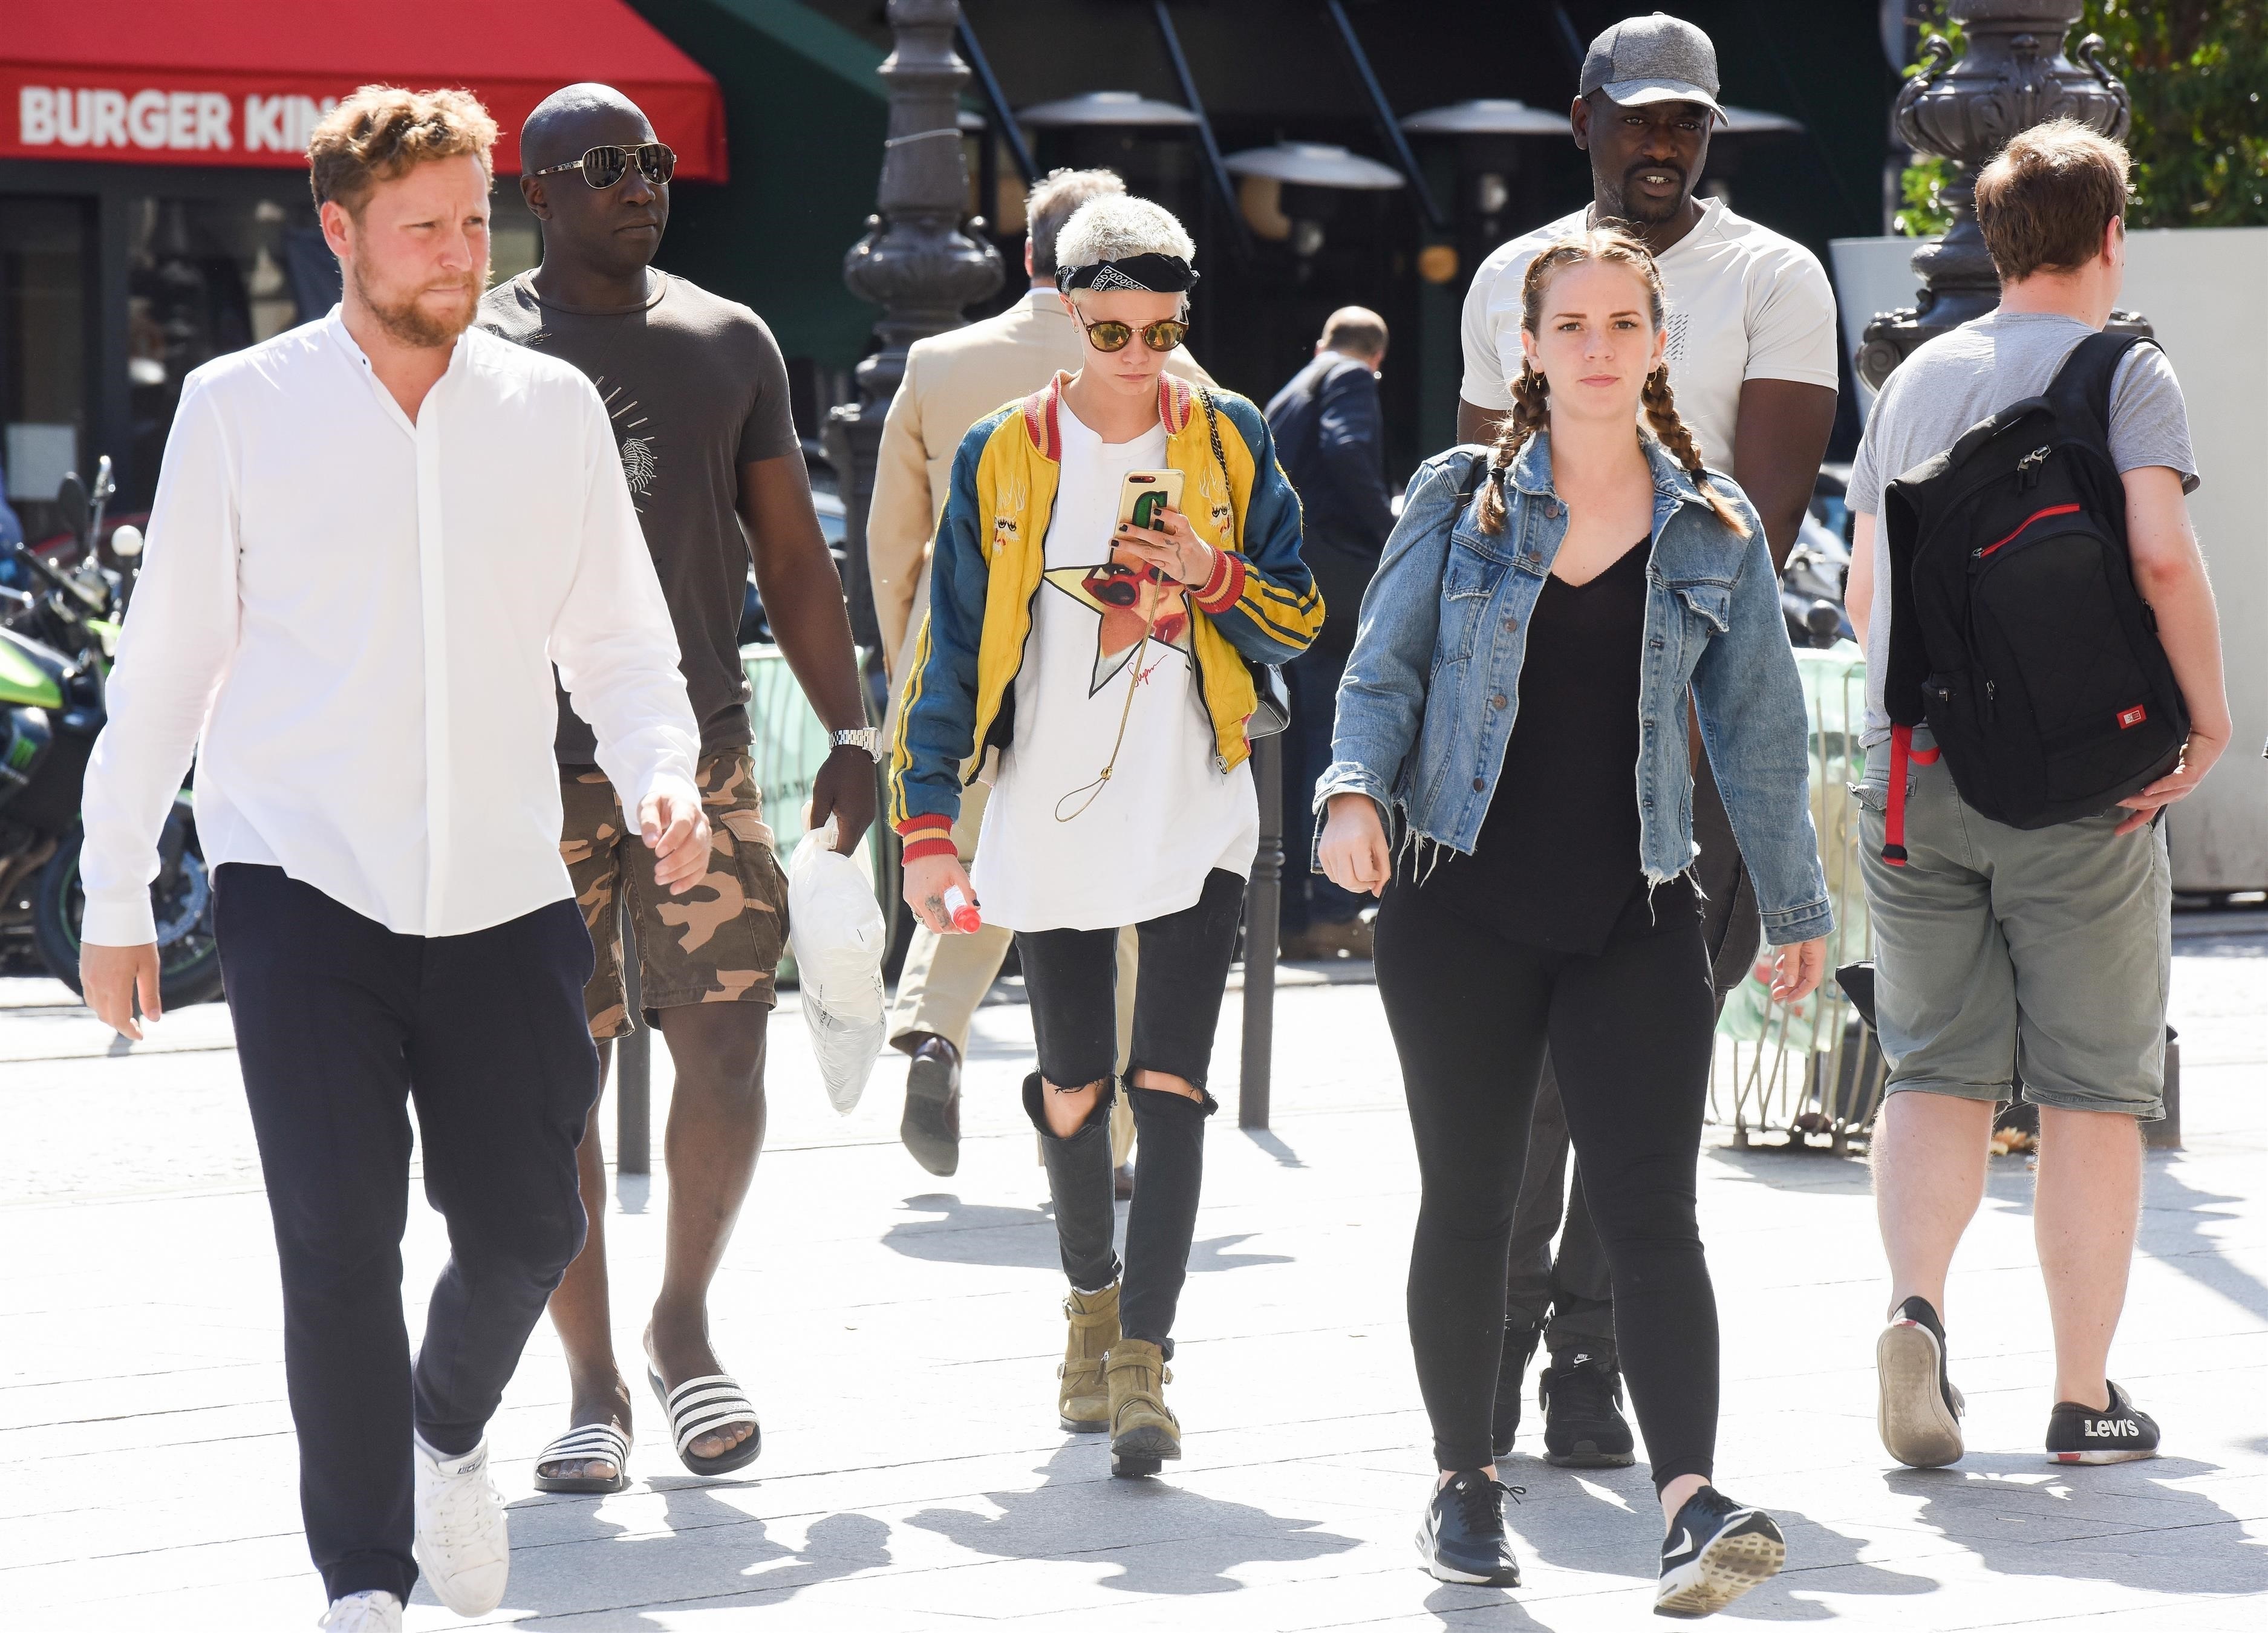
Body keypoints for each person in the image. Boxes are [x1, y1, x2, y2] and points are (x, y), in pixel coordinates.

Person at [76, 88, 709, 1633]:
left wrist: (661, 771)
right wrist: (113, 887)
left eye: (472, 220)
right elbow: (168, 665)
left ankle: (445, 1428)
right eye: (422, 225)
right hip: (298, 882)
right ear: (340, 232)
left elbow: (621, 644)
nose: (457, 252)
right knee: (336, 1235)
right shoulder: (238, 405)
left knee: (529, 1227)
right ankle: (361, 1576)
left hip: (504, 883)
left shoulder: (549, 409)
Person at [1320, 227, 1829, 1612]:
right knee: (1472, 1201)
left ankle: (1689, 1504)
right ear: (1527, 350)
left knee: (1651, 1210)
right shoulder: (1457, 498)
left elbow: (1760, 731)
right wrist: (1351, 790)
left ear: (1657, 345)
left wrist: (1793, 902)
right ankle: (1461, 1480)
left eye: (1621, 324)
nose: (1596, 347)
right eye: (1570, 326)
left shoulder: (1710, 521)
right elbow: (1381, 672)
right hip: (1456, 902)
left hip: (1638, 910)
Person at [1455, 9, 1840, 1465]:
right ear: (1585, 122)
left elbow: (1762, 522)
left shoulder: (1772, 276)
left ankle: (1588, 1356)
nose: (1663, 145)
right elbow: (1480, 511)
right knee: (1524, 1057)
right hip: (1534, 729)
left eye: (1687, 121)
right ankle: (1499, 1340)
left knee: (1641, 1061)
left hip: (1692, 720)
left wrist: (1678, 692)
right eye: (1639, 118)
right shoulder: (1513, 276)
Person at [477, 83, 874, 1496]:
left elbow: (793, 556)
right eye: (605, 164)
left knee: (728, 1051)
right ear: (536, 191)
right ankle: (589, 1383)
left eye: (651, 160)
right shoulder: (480, 349)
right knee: (553, 1082)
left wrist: (852, 728)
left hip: (699, 757)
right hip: (522, 774)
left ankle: (680, 1326)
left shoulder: (727, 339)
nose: (641, 182)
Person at [888, 195, 1318, 1478]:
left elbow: (1299, 618)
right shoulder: (1004, 450)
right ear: (1071, 312)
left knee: (1169, 1088)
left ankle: (1144, 1361)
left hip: (1195, 806)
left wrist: (1210, 573)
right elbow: (948, 651)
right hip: (1047, 812)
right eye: (1115, 330)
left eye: (1164, 330)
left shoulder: (1230, 436)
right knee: (1075, 1089)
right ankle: (1089, 1308)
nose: (1140, 356)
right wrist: (926, 825)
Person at [1844, 121, 2226, 1472]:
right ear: (2111, 237)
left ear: (1995, 243)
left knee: (1934, 1067)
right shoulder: (2125, 369)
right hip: (2076, 788)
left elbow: (1865, 592)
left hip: (1911, 776)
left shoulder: (1914, 377)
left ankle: (1916, 1311)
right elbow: (2161, 559)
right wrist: (2208, 721)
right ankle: (2080, 1396)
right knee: (2092, 1089)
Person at [868, 167, 1212, 1179]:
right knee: (1115, 900)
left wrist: (912, 671)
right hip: (1109, 660)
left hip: (965, 662)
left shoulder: (939, 363)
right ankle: (1105, 1137)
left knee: (966, 863)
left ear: (1027, 256)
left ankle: (934, 1035)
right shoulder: (1171, 363)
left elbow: (892, 544)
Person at [1264, 306, 1393, 961]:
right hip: (1333, 592)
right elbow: (1347, 448)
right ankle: (1336, 910)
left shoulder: (1288, 394)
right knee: (1335, 740)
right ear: (1377, 359)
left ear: (1322, 342)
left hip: (1284, 587)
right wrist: (1392, 536)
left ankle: (1287, 915)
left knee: (1286, 750)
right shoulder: (1349, 377)